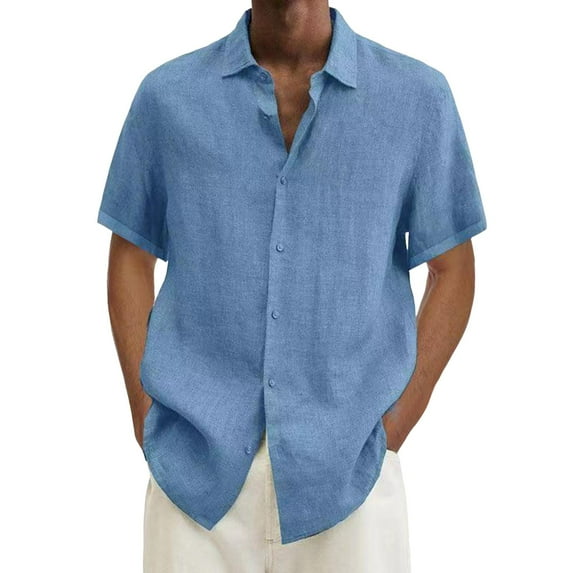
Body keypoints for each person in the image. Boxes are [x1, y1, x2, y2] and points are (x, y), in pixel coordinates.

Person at [97, 2, 487, 571]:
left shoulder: (417, 98)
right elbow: (130, 258)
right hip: (193, 479)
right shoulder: (167, 98)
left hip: (352, 480)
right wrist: (146, 414)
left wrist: (392, 427)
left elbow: (453, 269)